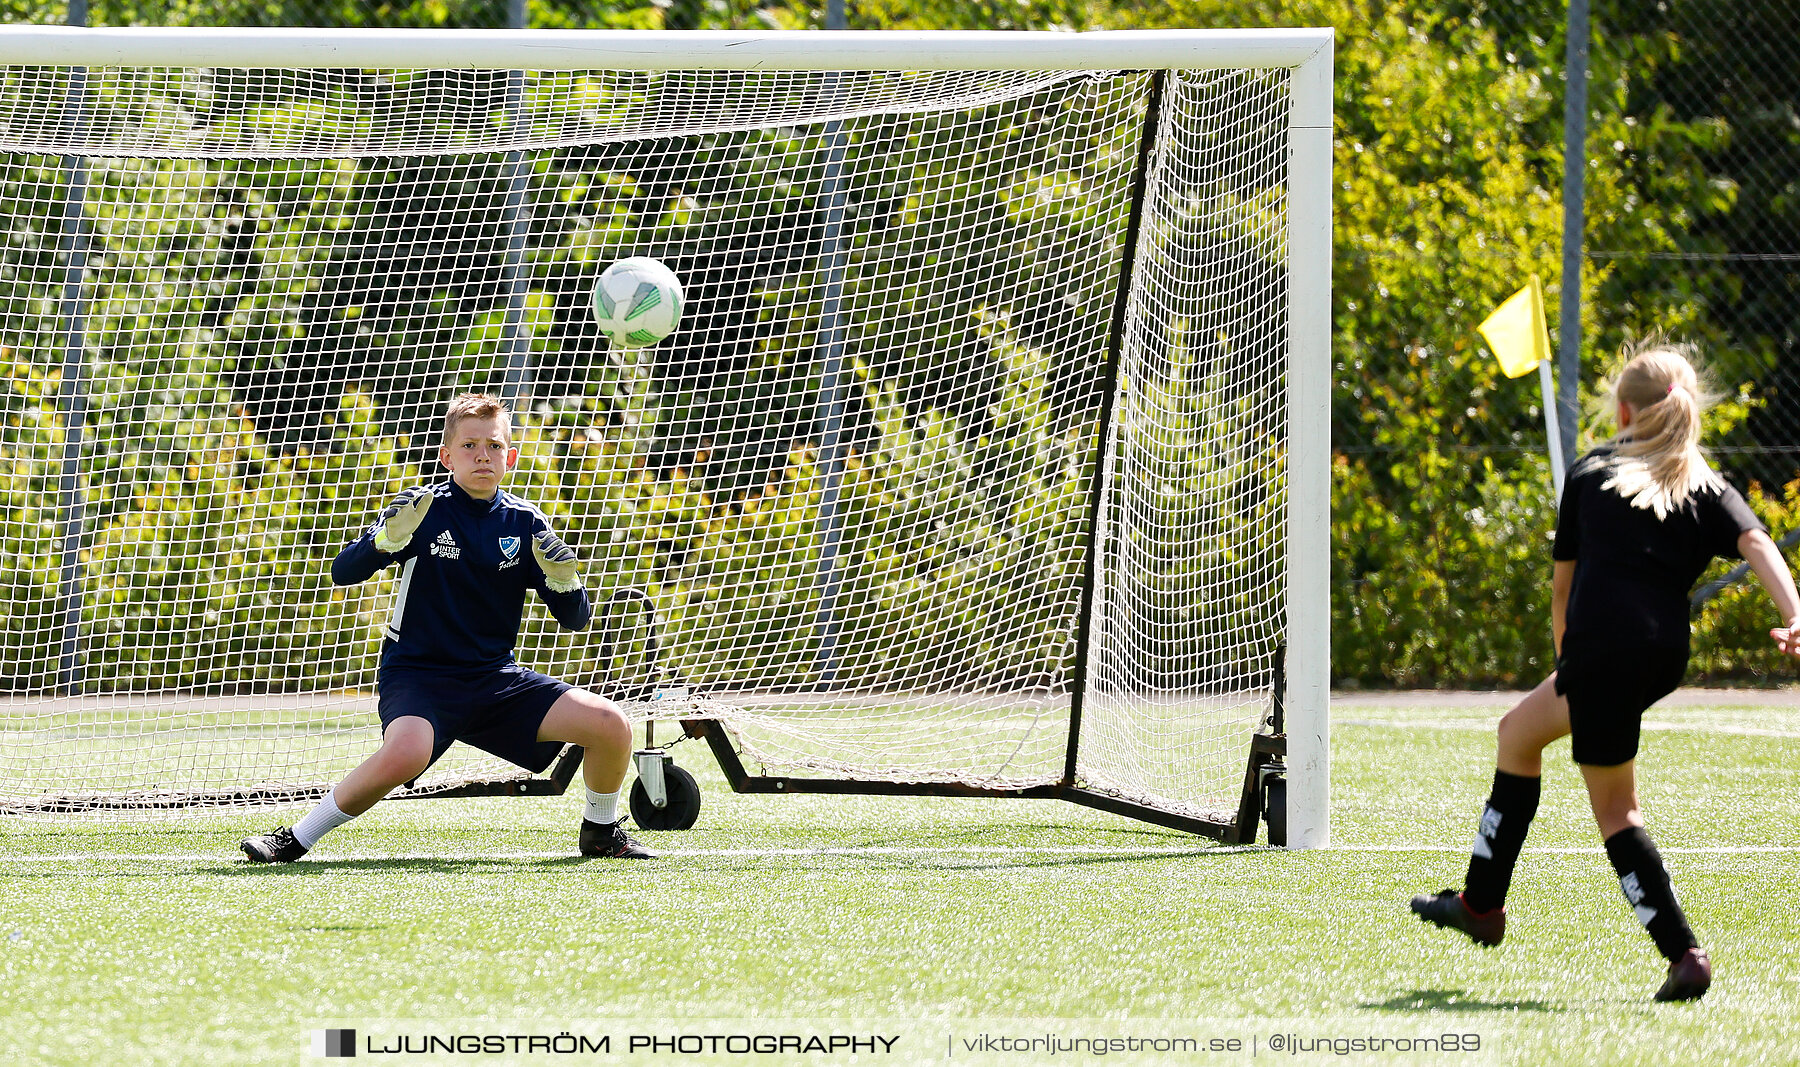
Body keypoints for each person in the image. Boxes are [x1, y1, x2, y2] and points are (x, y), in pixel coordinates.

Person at [1410, 337, 1800, 1002]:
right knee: (1518, 732)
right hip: (1659, 651)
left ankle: (1686, 955)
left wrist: (1570, 660)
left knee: (1617, 811)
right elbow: (1758, 542)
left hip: (1598, 648)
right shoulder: (1703, 483)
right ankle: (1480, 905)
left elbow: (1563, 592)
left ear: (1622, 412)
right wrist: (1795, 613)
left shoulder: (1591, 473)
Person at [241, 392, 652, 862]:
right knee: (406, 754)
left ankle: (601, 833)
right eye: (470, 446)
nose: (483, 455)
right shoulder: (423, 509)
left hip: (496, 680)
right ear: (446, 456)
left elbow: (576, 621)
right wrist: (385, 540)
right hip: (419, 676)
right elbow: (342, 572)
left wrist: (564, 582)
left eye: (494, 446)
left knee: (612, 725)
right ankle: (294, 838)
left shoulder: (525, 523)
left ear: (510, 456)